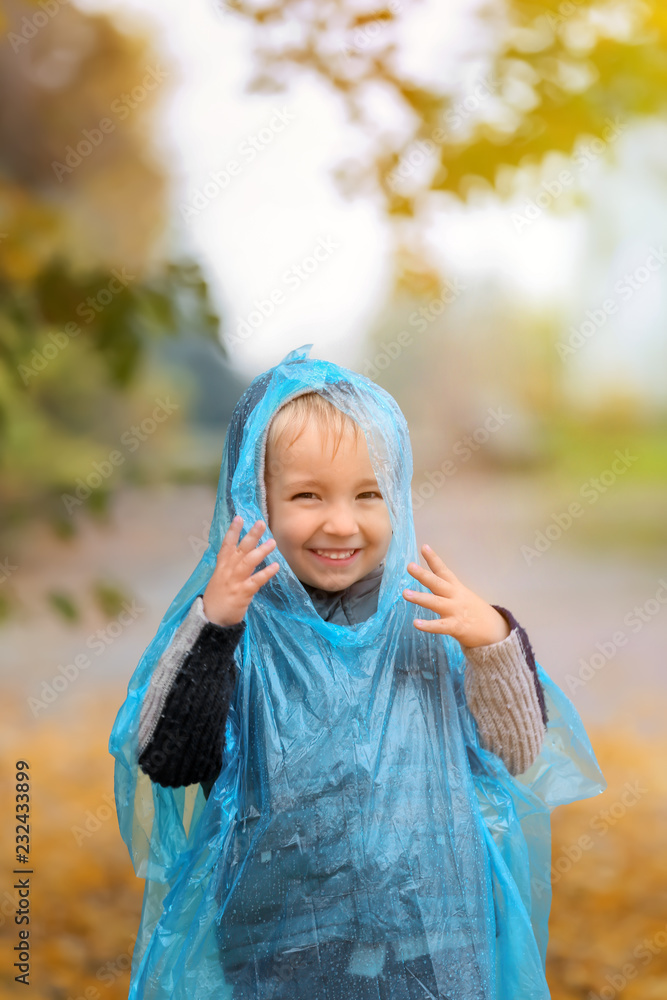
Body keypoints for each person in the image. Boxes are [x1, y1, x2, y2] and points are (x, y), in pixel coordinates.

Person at [110, 344, 606, 1000]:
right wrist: (214, 626)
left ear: (395, 497)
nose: (340, 523)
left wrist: (489, 643)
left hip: (431, 941)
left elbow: (514, 756)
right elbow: (169, 759)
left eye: (367, 494)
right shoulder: (238, 630)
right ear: (252, 501)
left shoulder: (428, 620)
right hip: (279, 949)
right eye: (306, 495)